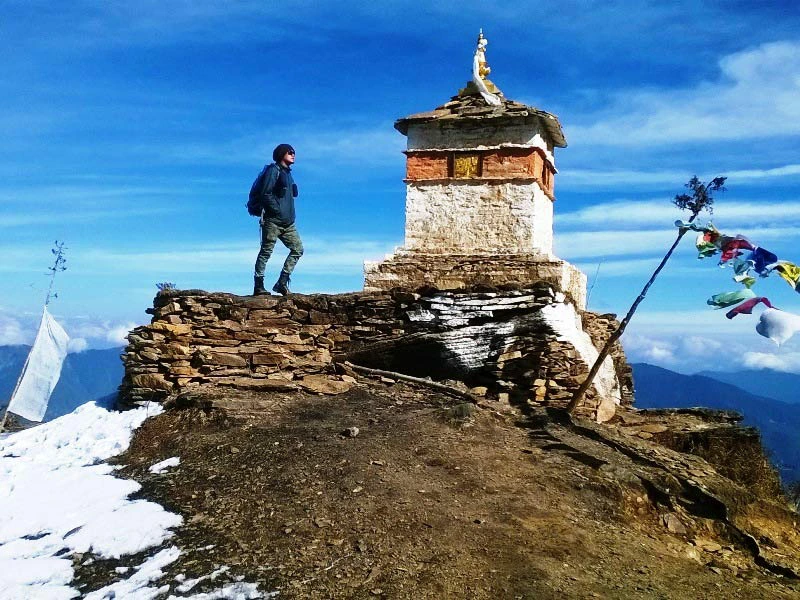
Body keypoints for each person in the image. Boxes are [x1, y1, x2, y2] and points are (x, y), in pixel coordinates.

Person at [253, 143, 304, 296]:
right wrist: (276, 211)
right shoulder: (273, 171)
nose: (293, 154)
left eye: (294, 152)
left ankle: (282, 282)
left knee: (298, 249)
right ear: (282, 154)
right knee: (266, 251)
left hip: (288, 223)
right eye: (290, 152)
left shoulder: (288, 173)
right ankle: (259, 285)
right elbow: (265, 194)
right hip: (273, 221)